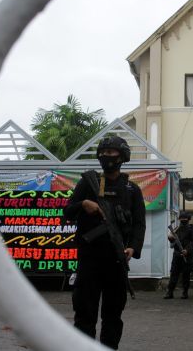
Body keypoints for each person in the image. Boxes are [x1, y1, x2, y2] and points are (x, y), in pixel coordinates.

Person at [64, 136, 146, 350]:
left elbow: (139, 224)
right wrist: (83, 203)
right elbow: (67, 212)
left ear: (123, 156)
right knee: (84, 314)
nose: (106, 156)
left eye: (112, 152)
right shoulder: (88, 183)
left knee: (113, 315)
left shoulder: (131, 190)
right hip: (89, 259)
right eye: (103, 152)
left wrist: (132, 247)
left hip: (116, 262)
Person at [164, 211, 193, 299]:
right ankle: (170, 292)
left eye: (185, 219)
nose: (183, 221)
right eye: (181, 219)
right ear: (179, 219)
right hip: (177, 254)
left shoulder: (191, 229)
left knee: (186, 274)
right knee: (174, 273)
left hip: (187, 255)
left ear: (188, 220)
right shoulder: (176, 228)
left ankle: (185, 292)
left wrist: (187, 250)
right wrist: (170, 238)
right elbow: (172, 241)